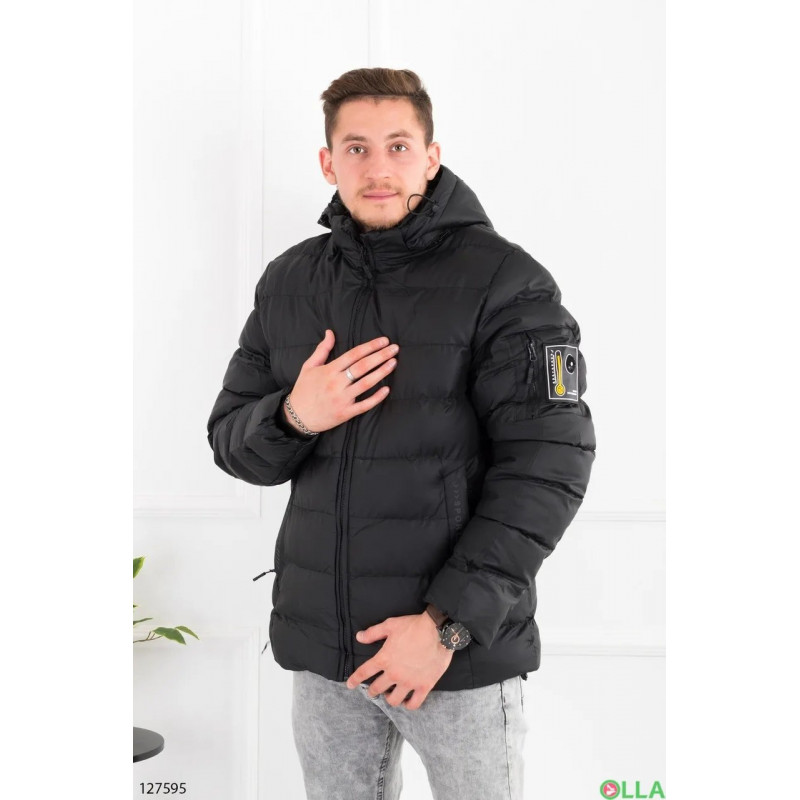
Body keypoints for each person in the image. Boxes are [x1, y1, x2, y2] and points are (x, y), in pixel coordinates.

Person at [207, 67, 596, 800]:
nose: (377, 168)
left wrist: (446, 627)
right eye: (356, 148)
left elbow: (550, 469)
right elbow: (232, 446)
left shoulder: (507, 281)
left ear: (431, 156)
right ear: (328, 162)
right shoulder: (289, 282)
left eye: (398, 146)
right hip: (326, 654)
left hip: (453, 657)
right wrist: (295, 415)